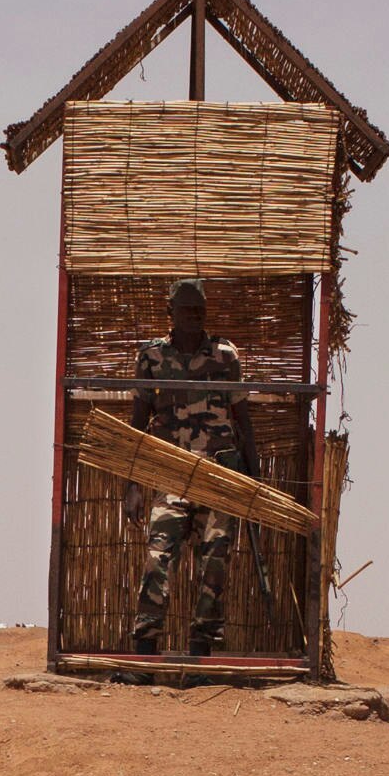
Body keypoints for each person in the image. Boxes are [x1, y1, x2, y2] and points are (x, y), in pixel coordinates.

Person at [128, 278, 258, 656]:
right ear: (170, 313)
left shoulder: (225, 355)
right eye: (186, 310)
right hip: (170, 474)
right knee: (157, 560)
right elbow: (138, 422)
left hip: (219, 474)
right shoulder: (151, 358)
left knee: (215, 562)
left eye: (199, 310)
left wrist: (253, 477)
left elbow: (243, 419)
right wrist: (132, 486)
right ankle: (145, 651)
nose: (194, 317)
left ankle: (202, 650)